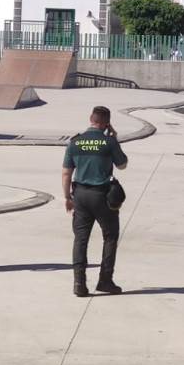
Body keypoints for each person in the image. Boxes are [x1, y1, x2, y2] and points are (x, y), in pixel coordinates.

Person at [62, 105, 129, 297]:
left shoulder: (75, 142)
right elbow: (122, 165)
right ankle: (105, 280)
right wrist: (115, 139)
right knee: (110, 236)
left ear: (91, 119)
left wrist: (67, 197)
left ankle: (79, 284)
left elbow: (66, 172)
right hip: (102, 196)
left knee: (80, 239)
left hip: (81, 196)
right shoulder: (108, 141)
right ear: (107, 123)